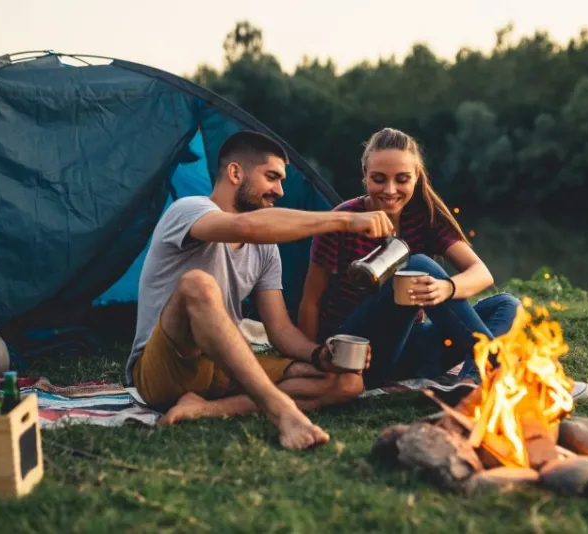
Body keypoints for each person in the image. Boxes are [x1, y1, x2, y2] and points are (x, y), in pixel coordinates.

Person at [125, 130, 395, 450]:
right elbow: (245, 228)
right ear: (235, 172)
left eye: (281, 180)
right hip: (164, 370)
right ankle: (282, 412)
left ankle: (205, 409)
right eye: (271, 177)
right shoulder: (188, 210)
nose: (279, 190)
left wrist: (318, 354)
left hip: (221, 369)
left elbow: (279, 330)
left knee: (347, 382)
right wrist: (346, 220)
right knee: (197, 284)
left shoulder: (266, 251)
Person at [298, 127, 588, 402]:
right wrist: (311, 359)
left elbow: (481, 273)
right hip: (361, 354)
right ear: (364, 176)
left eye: (401, 179)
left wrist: (447, 288)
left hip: (411, 349)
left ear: (416, 177)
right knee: (420, 264)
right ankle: (502, 371)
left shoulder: (423, 217)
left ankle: (471, 383)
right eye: (378, 179)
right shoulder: (343, 220)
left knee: (507, 304)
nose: (390, 190)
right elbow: (311, 301)